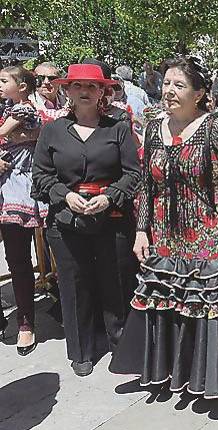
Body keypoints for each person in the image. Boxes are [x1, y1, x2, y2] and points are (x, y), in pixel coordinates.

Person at [109, 56, 218, 399]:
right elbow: (147, 187)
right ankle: (171, 372)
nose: (168, 91)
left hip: (205, 234)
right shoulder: (154, 127)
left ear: (198, 93)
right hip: (164, 237)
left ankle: (208, 375)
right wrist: (141, 230)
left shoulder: (214, 126)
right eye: (166, 83)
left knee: (204, 304)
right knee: (167, 301)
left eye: (178, 85)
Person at [32, 64, 140, 376]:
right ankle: (81, 350)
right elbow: (40, 175)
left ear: (103, 91)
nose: (84, 91)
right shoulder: (52, 131)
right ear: (66, 90)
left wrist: (110, 196)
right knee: (73, 284)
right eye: (77, 85)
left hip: (112, 218)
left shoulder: (117, 127)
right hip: (65, 221)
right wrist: (64, 195)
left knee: (115, 282)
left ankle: (121, 344)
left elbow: (133, 173)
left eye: (92, 86)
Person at [0, 66, 48, 355]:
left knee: (17, 259)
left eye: (4, 81)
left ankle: (25, 323)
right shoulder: (8, 107)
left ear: (23, 87)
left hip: (17, 192)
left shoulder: (23, 110)